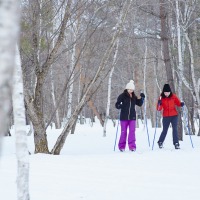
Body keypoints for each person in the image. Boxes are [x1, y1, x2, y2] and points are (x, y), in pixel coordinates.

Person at [115, 80, 145, 152]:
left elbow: (139, 104)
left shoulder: (134, 97)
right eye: (129, 89)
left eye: (132, 89)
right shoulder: (122, 96)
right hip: (124, 117)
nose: (130, 91)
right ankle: (121, 147)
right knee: (123, 132)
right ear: (126, 89)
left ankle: (132, 146)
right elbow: (117, 104)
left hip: (132, 117)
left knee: (132, 132)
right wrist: (120, 105)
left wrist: (142, 98)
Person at [157, 84, 184, 149]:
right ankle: (160, 142)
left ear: (170, 92)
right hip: (166, 116)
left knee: (175, 129)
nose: (167, 94)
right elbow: (158, 109)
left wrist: (181, 104)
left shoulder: (173, 96)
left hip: (174, 115)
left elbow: (178, 103)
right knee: (165, 130)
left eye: (168, 92)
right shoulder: (161, 97)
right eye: (165, 92)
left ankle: (176, 143)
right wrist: (159, 104)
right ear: (163, 92)